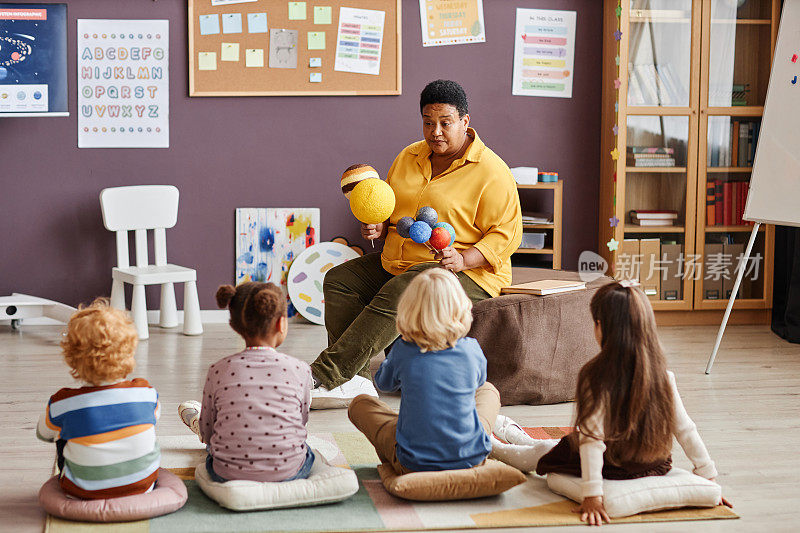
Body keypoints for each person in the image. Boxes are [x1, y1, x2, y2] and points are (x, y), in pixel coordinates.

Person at [311, 79, 522, 408]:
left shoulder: (492, 172)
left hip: (469, 271)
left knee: (408, 288)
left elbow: (508, 233)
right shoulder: (409, 156)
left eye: (445, 123)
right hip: (403, 260)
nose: (435, 131)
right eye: (428, 122)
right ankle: (356, 383)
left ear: (465, 123)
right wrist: (379, 224)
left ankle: (327, 373)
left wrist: (465, 259)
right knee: (339, 281)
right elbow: (394, 209)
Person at [489, 282, 732, 526]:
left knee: (545, 452)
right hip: (655, 464)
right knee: (557, 445)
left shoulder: (596, 376)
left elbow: (592, 441)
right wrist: (707, 476)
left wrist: (593, 495)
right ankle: (514, 433)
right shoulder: (663, 375)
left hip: (612, 466)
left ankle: (492, 446)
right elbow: (686, 429)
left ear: (602, 328)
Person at [348, 268, 501, 474]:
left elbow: (384, 383)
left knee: (360, 404)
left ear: (409, 310)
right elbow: (478, 383)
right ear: (462, 309)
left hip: (412, 463)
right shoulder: (472, 348)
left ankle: (399, 455)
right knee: (489, 390)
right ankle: (485, 441)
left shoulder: (403, 349)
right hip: (471, 457)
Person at [178, 282, 315, 482]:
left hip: (227, 474)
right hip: (289, 472)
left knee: (216, 441)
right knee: (307, 450)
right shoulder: (300, 369)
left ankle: (197, 422)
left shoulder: (218, 370)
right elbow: (301, 422)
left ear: (235, 325)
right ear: (281, 324)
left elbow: (208, 433)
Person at [36, 299, 161, 499]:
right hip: (143, 487)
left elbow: (43, 434)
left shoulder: (62, 403)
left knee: (62, 432)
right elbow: (155, 417)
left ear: (72, 358)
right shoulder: (146, 392)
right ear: (129, 350)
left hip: (81, 492)